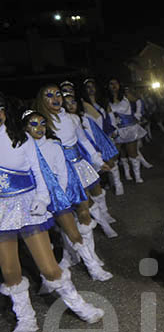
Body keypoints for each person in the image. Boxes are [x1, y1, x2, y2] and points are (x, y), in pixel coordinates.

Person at [0, 94, 103, 332]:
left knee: (48, 266)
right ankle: (26, 319)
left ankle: (80, 306)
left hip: (27, 205)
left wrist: (43, 198)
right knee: (9, 270)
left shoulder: (19, 137)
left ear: (4, 111)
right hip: (1, 212)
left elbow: (38, 170)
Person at [22, 110, 112, 281]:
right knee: (41, 241)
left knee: (74, 232)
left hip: (56, 194)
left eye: (42, 123)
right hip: (34, 199)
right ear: (25, 128)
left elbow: (63, 172)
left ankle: (93, 267)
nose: (39, 128)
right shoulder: (22, 149)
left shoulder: (54, 145)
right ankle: (50, 276)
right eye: (33, 124)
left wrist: (59, 195)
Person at [33, 85, 117, 239]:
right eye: (49, 95)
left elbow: (83, 141)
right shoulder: (40, 125)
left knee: (82, 207)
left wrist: (98, 160)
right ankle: (83, 244)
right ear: (41, 100)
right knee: (71, 209)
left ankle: (91, 254)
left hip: (76, 166)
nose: (55, 98)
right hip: (57, 172)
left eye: (58, 94)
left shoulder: (73, 118)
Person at [59, 90, 118, 238]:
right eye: (67, 103)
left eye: (73, 102)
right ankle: (101, 225)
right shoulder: (56, 121)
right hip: (64, 166)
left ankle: (104, 219)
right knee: (79, 201)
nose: (71, 105)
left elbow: (87, 139)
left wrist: (97, 158)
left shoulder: (80, 119)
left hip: (81, 159)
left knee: (91, 192)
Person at [80, 79, 124, 195]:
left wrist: (114, 130)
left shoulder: (103, 102)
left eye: (92, 86)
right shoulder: (82, 104)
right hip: (91, 138)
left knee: (111, 161)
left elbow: (110, 117)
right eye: (88, 87)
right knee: (96, 164)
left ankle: (118, 185)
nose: (91, 89)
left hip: (105, 135)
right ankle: (103, 186)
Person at [107, 78, 146, 184]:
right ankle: (120, 180)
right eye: (111, 83)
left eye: (116, 83)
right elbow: (109, 116)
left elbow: (138, 101)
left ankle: (137, 177)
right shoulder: (107, 99)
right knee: (115, 155)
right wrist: (113, 128)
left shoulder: (125, 95)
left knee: (132, 153)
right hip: (117, 130)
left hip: (129, 128)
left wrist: (138, 115)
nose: (114, 85)